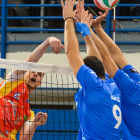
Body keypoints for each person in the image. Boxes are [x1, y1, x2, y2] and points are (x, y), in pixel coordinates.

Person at [61, 0, 122, 139]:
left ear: (90, 74)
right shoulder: (111, 85)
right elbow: (97, 58)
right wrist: (85, 30)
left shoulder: (94, 86)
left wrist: (68, 18)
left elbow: (71, 51)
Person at [89, 9, 140, 140]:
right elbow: (116, 55)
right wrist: (97, 27)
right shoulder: (135, 81)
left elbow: (107, 58)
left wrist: (87, 29)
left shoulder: (132, 88)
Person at [0, 36, 64, 140]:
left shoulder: (29, 114)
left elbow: (24, 139)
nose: (34, 75)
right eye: (32, 71)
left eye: (38, 74)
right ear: (25, 73)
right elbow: (31, 60)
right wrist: (48, 41)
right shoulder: (12, 81)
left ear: (40, 83)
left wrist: (34, 124)